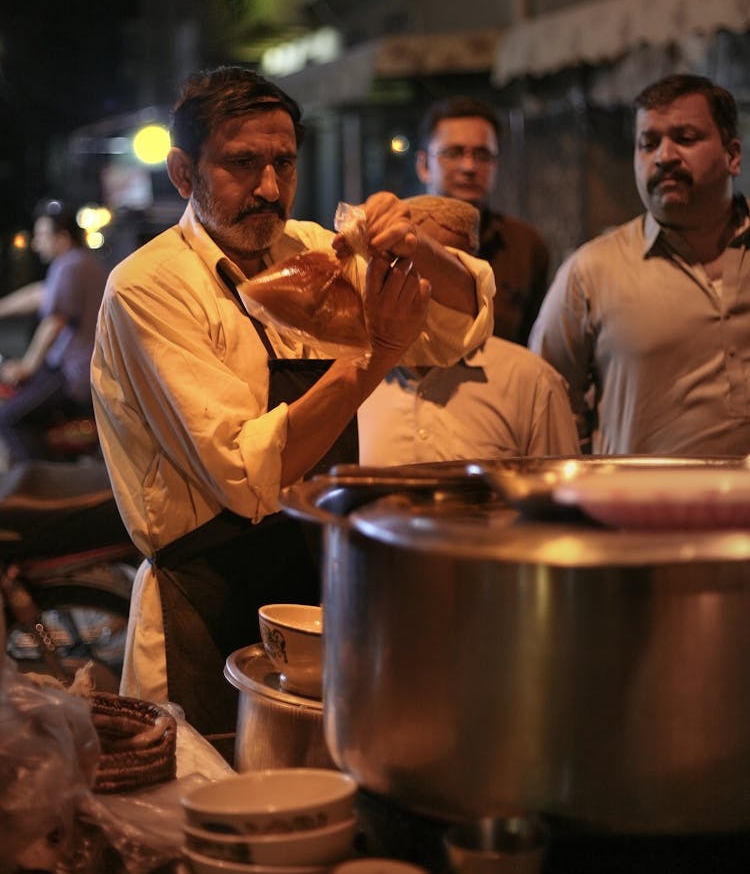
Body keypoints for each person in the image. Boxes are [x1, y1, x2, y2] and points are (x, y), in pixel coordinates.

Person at [91, 65, 494, 748]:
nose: (270, 189)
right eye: (242, 164)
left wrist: (417, 247)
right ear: (184, 173)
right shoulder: (148, 287)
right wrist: (373, 356)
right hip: (205, 602)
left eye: (283, 162)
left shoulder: (315, 250)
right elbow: (248, 476)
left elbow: (456, 329)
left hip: (320, 585)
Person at [529, 73, 750, 456]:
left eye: (685, 138)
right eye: (648, 144)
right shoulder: (592, 271)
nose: (664, 156)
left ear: (732, 155)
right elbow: (543, 401)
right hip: (640, 511)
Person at [358, 196, 580, 464]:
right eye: (413, 265)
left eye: (449, 270)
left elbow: (556, 499)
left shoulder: (532, 384)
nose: (429, 286)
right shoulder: (350, 380)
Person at [415, 95, 550, 345]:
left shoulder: (525, 246)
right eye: (453, 153)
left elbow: (536, 343)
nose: (469, 166)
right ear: (423, 165)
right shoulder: (397, 240)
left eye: (482, 154)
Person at [0, 200, 106, 464]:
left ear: (62, 237)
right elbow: (40, 294)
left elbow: (54, 322)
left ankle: (41, 486)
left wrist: (27, 366)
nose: (36, 243)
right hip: (76, 369)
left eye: (42, 236)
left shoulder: (71, 266)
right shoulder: (77, 263)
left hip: (73, 374)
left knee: (11, 418)